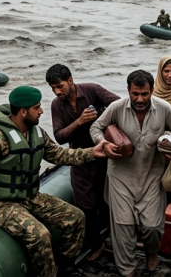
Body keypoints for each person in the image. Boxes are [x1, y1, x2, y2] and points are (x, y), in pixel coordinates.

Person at [0, 86, 119, 277]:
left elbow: (59, 155)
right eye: (36, 107)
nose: (41, 111)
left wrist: (92, 152)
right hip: (0, 204)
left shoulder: (36, 133)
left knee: (76, 218)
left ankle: (66, 267)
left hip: (30, 197)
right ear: (23, 111)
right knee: (40, 235)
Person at [90, 70, 171, 277]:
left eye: (144, 94)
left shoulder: (164, 108)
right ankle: (128, 270)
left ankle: (152, 252)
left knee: (152, 226)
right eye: (135, 94)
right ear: (128, 90)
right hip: (120, 176)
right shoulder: (116, 107)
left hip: (152, 175)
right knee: (123, 225)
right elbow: (96, 127)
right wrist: (104, 143)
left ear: (152, 90)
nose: (140, 99)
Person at [47, 64, 121, 261]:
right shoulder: (56, 105)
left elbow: (119, 104)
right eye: (53, 88)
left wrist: (103, 116)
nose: (57, 91)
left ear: (70, 80)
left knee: (108, 202)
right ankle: (96, 244)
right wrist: (79, 121)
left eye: (60, 86)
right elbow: (59, 136)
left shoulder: (92, 90)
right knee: (85, 207)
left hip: (104, 158)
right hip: (80, 161)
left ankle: (116, 238)